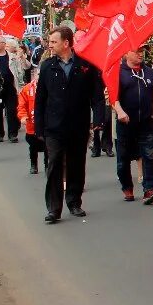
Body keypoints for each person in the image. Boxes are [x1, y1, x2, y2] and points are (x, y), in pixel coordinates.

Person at [34, 27, 101, 223]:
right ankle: (54, 208)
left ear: (66, 43)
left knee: (76, 164)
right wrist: (39, 126)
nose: (50, 45)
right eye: (49, 41)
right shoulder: (47, 66)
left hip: (78, 125)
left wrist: (98, 119)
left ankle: (74, 201)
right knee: (54, 164)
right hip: (53, 126)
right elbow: (40, 99)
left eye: (54, 42)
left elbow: (96, 96)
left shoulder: (85, 66)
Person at [113, 46, 153, 204]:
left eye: (143, 51)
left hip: (146, 122)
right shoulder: (118, 72)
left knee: (148, 155)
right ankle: (127, 187)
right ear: (126, 52)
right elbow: (112, 97)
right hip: (125, 123)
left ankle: (149, 189)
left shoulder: (150, 73)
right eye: (137, 51)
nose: (141, 54)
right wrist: (119, 111)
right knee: (123, 159)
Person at [0, 36, 27, 142]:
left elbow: (20, 71)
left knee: (12, 110)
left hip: (10, 87)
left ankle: (13, 134)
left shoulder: (12, 57)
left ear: (4, 44)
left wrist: (20, 85)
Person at [16, 76, 44, 174]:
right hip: (32, 125)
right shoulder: (27, 89)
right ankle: (34, 164)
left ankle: (48, 166)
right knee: (33, 146)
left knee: (49, 146)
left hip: (47, 124)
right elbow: (21, 105)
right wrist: (23, 116)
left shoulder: (51, 87)